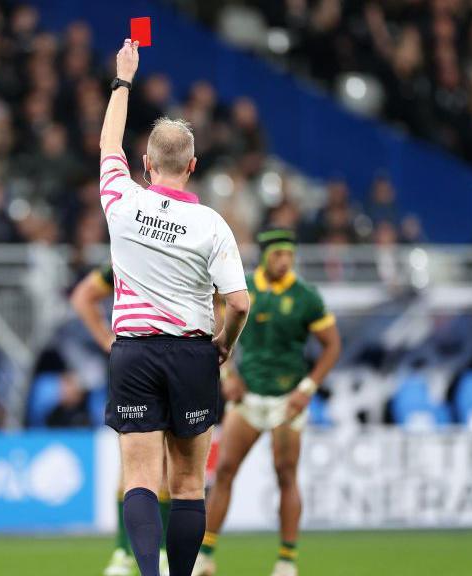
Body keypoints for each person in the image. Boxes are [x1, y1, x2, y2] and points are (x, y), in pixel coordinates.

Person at [99, 40, 250, 576]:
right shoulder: (212, 223)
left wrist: (123, 81)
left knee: (140, 478)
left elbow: (107, 145)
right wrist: (224, 346)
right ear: (193, 164)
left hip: (135, 353)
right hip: (191, 355)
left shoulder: (121, 198)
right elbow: (237, 301)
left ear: (145, 163)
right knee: (188, 483)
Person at [193, 229, 341, 576]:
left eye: (289, 254)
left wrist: (307, 388)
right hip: (248, 398)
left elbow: (332, 346)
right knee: (225, 471)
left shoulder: (306, 296)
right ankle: (206, 556)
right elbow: (214, 322)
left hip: (287, 400)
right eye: (278, 254)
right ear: (265, 256)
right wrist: (227, 375)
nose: (285, 260)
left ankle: (286, 561)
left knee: (286, 475)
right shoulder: (242, 289)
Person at [70, 262, 174, 576]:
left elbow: (220, 303)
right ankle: (123, 550)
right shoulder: (126, 259)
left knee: (166, 463)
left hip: (170, 363)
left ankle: (159, 551)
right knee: (133, 461)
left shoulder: (172, 253)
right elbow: (83, 297)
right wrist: (106, 339)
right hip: (138, 366)